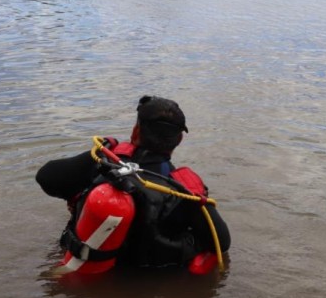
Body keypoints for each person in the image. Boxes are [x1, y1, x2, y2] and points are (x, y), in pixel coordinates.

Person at [36, 96, 230, 273]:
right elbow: (221, 242)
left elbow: (45, 177)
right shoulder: (184, 191)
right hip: (140, 276)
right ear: (179, 139)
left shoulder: (102, 164)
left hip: (83, 266)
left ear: (135, 131)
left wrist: (101, 153)